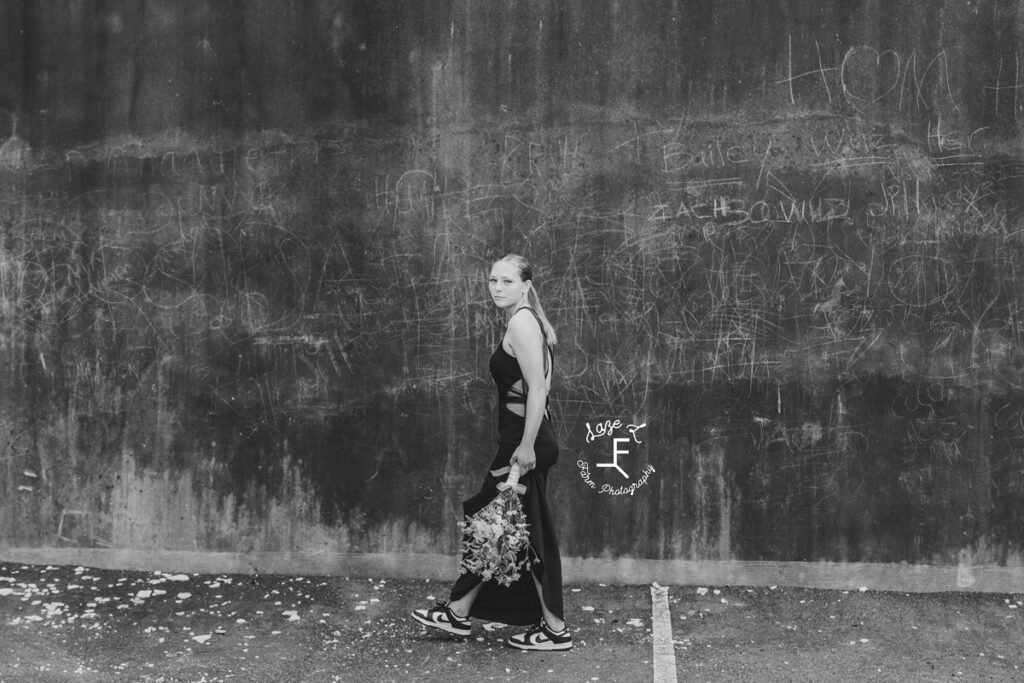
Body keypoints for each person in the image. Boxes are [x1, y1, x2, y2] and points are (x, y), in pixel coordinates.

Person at [411, 253, 571, 651]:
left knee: (524, 534)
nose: (497, 288)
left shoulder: (521, 322)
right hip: (523, 441)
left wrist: (527, 446)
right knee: (498, 527)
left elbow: (538, 390)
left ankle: (555, 631)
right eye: (492, 281)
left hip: (524, 445)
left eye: (506, 282)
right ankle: (458, 613)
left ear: (526, 286)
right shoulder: (528, 321)